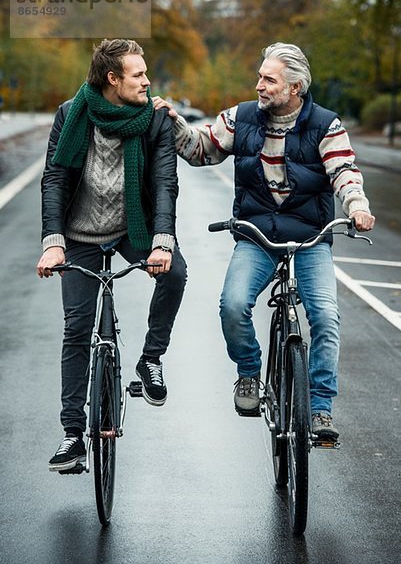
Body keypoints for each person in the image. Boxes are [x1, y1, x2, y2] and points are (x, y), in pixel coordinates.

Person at [153, 42, 375, 440]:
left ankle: (321, 409)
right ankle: (249, 374)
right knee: (233, 304)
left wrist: (357, 206)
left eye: (268, 79)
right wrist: (173, 123)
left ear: (294, 89)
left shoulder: (326, 125)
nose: (259, 85)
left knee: (325, 317)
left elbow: (344, 170)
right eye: (259, 76)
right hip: (256, 236)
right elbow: (201, 149)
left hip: (310, 238)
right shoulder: (240, 118)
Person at [37, 38, 187, 472]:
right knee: (77, 328)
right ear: (112, 79)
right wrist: (53, 242)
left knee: (175, 272)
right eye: (137, 74)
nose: (146, 81)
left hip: (131, 226)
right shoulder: (71, 114)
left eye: (145, 73)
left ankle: (150, 359)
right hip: (79, 235)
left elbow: (164, 183)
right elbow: (55, 181)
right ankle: (71, 435)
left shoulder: (155, 119)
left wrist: (162, 240)